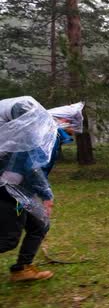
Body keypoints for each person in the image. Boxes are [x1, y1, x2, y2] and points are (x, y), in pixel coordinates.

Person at [0, 97, 81, 281]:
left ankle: (22, 269)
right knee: (8, 240)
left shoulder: (49, 134)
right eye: (73, 123)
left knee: (39, 224)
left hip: (21, 192)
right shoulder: (47, 135)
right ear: (61, 120)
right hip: (10, 191)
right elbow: (32, 166)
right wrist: (46, 194)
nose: (75, 128)